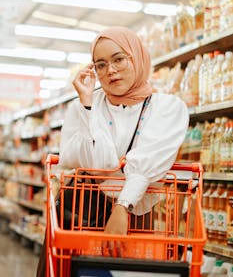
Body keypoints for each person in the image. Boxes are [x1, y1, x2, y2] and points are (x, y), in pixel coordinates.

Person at [36, 26, 189, 276]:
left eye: (119, 59)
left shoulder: (167, 108)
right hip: (79, 213)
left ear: (136, 57)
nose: (111, 71)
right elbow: (84, 160)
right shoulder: (84, 105)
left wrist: (122, 206)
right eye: (100, 65)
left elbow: (145, 162)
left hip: (134, 214)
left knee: (125, 270)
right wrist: (87, 106)